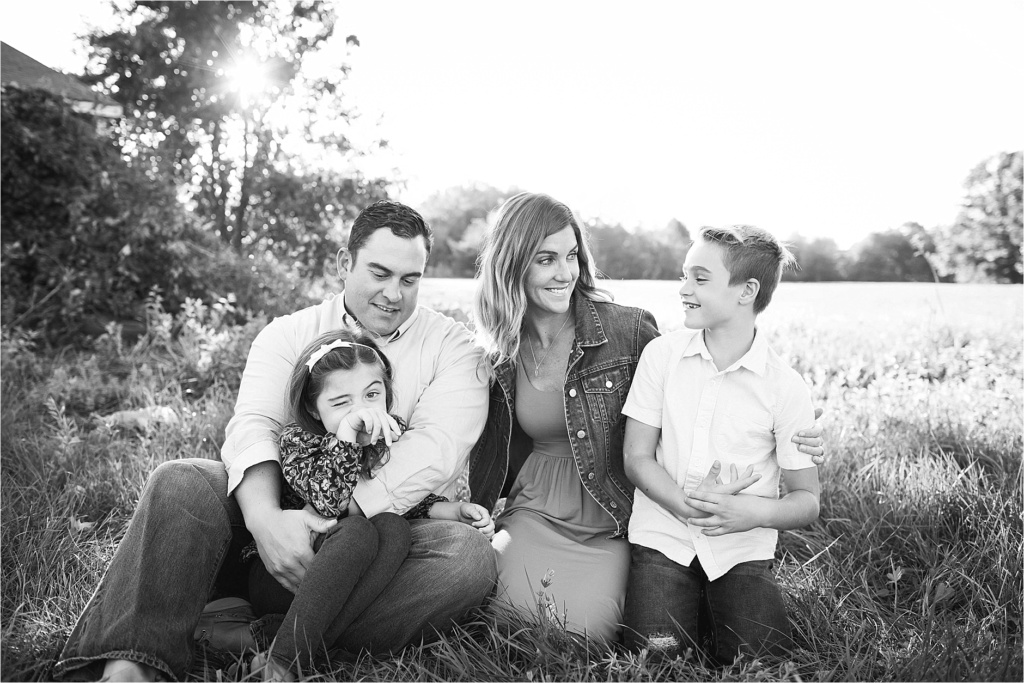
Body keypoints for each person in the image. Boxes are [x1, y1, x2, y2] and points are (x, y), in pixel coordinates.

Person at [54, 201, 495, 682]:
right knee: (180, 481)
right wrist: (267, 522)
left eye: (410, 279)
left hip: (387, 540)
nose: (394, 293)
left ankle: (267, 636)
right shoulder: (287, 334)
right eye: (380, 273)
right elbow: (255, 427)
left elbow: (434, 450)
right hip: (278, 517)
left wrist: (326, 520)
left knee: (466, 559)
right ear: (345, 263)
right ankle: (131, 663)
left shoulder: (455, 348)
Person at [467, 193, 825, 643]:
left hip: (613, 510)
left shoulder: (630, 331)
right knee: (505, 619)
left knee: (583, 632)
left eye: (572, 256)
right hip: (536, 508)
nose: (564, 272)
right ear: (512, 264)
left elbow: (701, 396)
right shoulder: (500, 347)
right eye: (546, 259)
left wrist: (799, 433)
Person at [244, 328, 494, 680]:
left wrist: (454, 512)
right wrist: (346, 436)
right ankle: (286, 657)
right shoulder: (299, 442)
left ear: (387, 396)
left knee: (391, 526)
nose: (360, 410)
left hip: (344, 593)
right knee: (359, 530)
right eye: (341, 402)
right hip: (285, 575)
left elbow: (401, 500)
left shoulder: (387, 436)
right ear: (313, 410)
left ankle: (290, 649)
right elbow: (328, 502)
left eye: (371, 395)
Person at [621, 225, 820, 663]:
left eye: (700, 278)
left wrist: (756, 512)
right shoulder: (662, 356)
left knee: (761, 665)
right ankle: (694, 610)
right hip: (664, 538)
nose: (684, 289)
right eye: (683, 276)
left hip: (741, 548)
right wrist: (686, 504)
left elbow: (807, 500)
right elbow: (636, 456)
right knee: (653, 661)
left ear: (746, 291)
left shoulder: (785, 387)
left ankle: (719, 607)